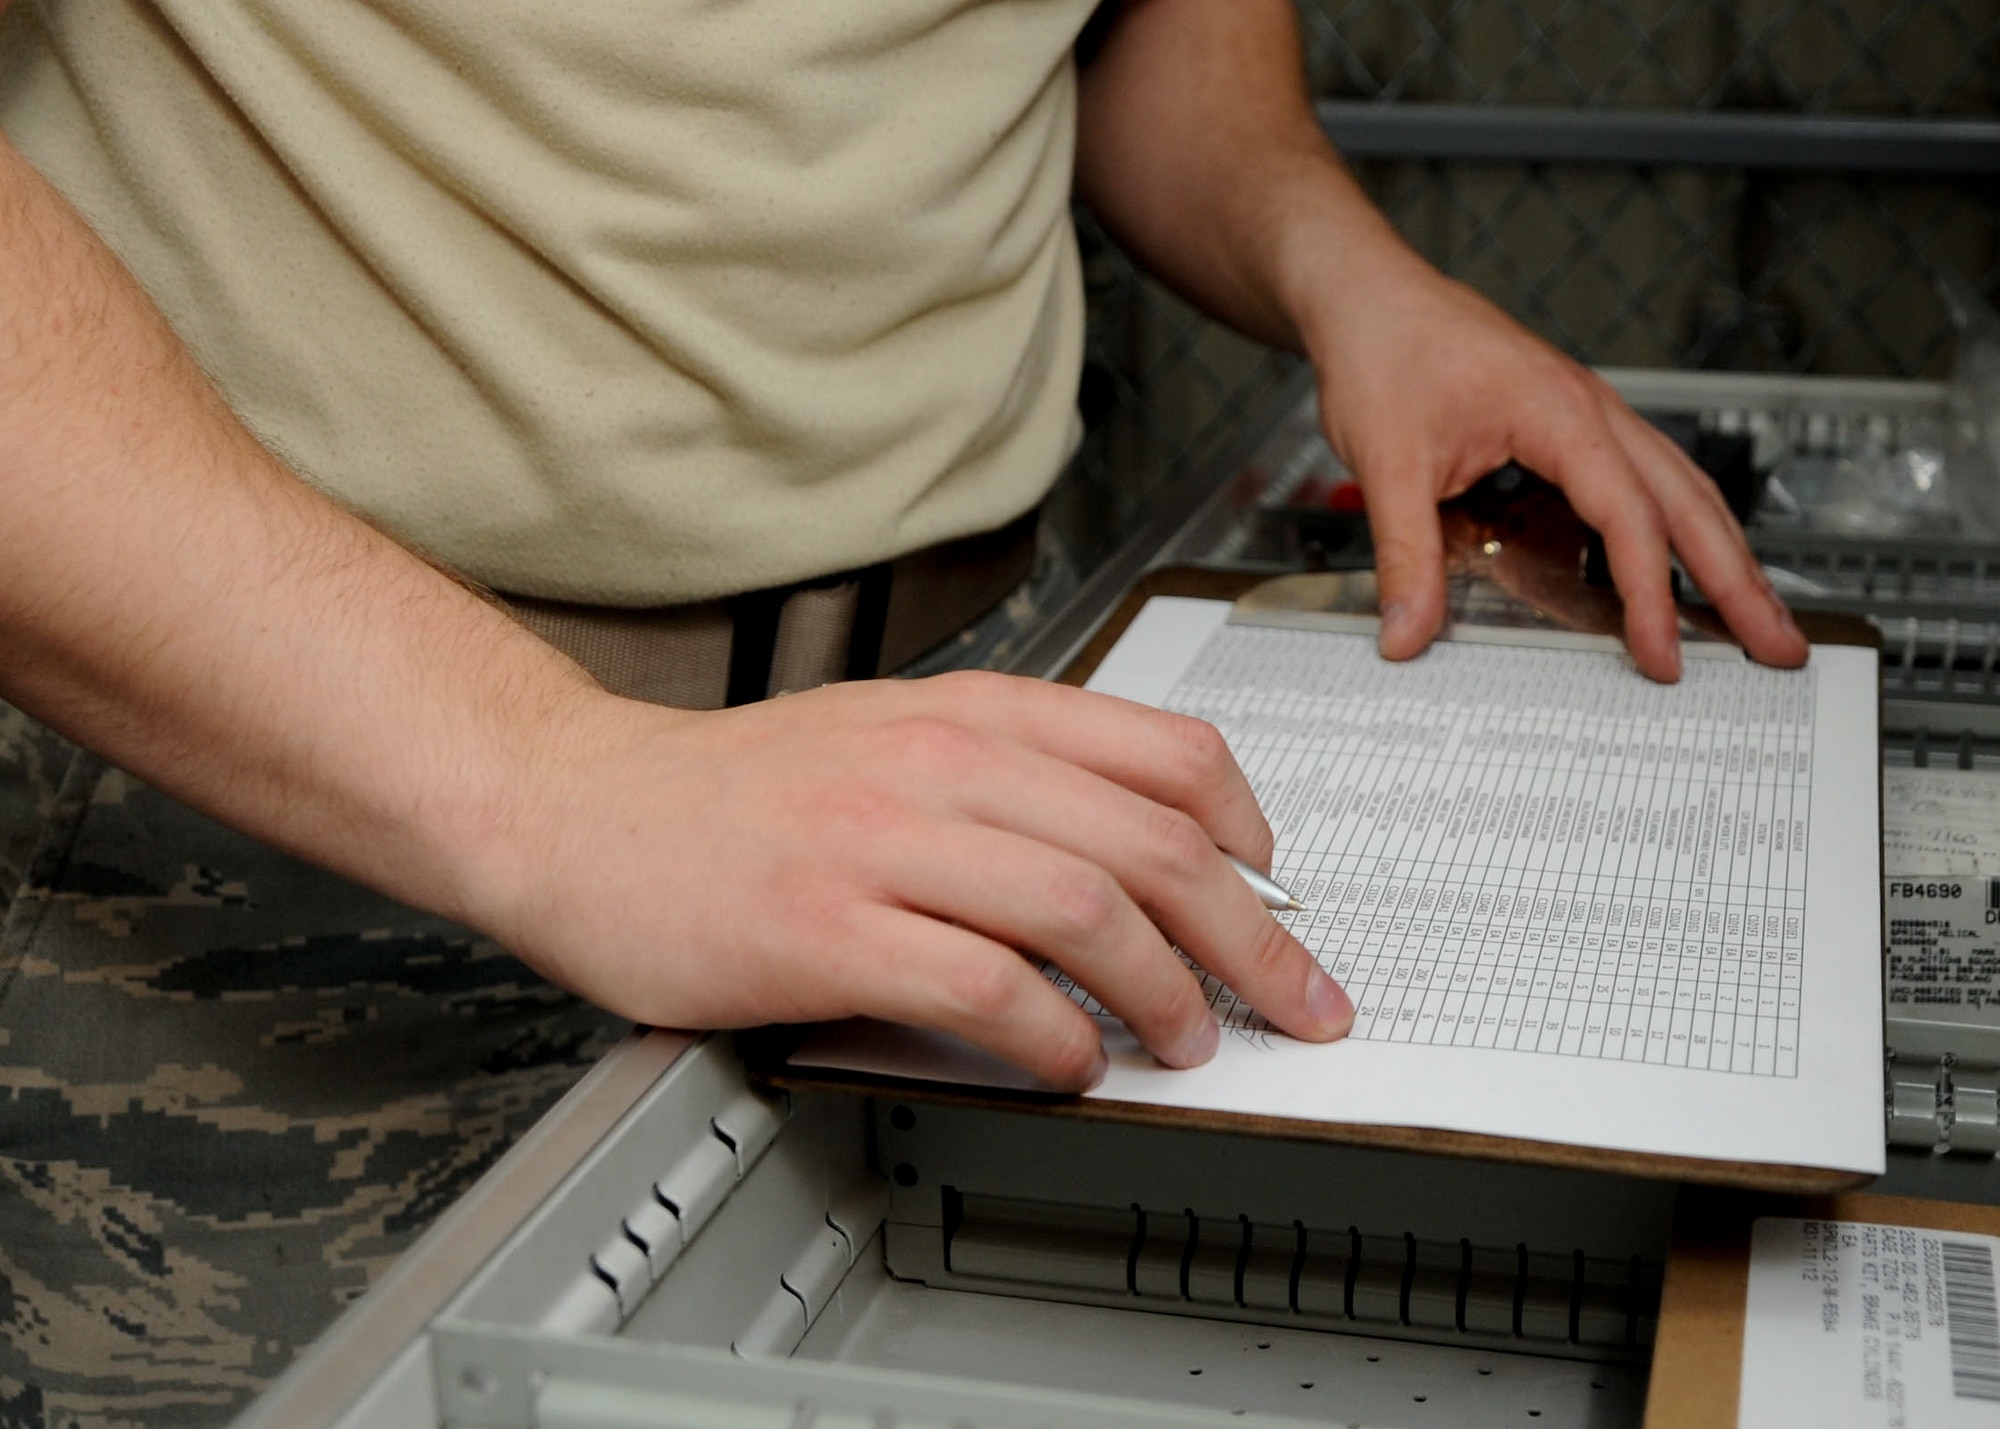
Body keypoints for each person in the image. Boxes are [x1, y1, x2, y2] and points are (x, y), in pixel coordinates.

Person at [0, 0, 1806, 1422]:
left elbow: (1108, 30)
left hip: (978, 734)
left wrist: (1344, 264)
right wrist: (546, 775)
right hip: (267, 817)